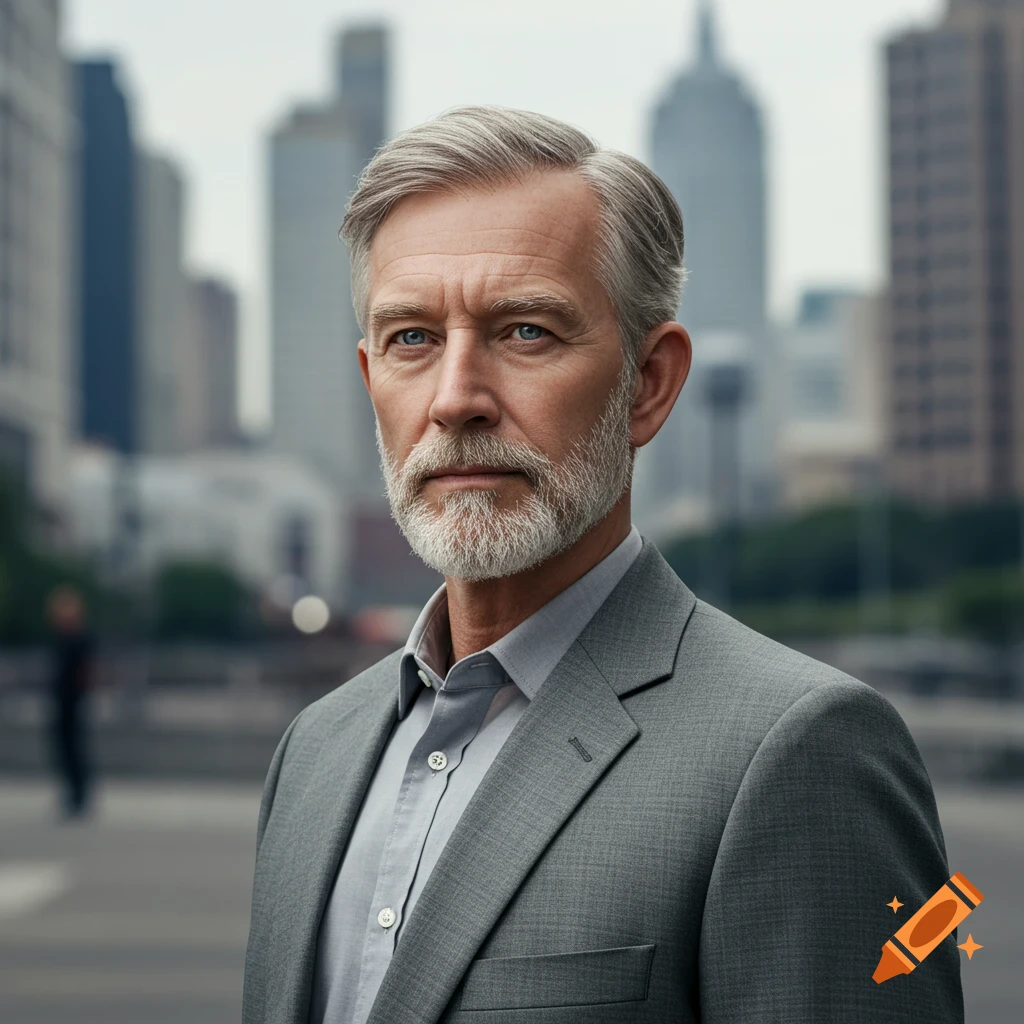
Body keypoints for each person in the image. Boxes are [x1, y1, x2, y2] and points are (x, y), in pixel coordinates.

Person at [243, 106, 962, 1023]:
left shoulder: (801, 753)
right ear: (371, 379)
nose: (456, 398)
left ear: (649, 383)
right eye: (412, 339)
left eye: (525, 331)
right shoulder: (316, 751)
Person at [46, 584, 95, 819]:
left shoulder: (79, 638)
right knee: (66, 748)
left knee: (74, 748)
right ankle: (74, 794)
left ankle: (79, 795)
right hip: (64, 701)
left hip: (73, 701)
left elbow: (85, 672)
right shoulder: (64, 638)